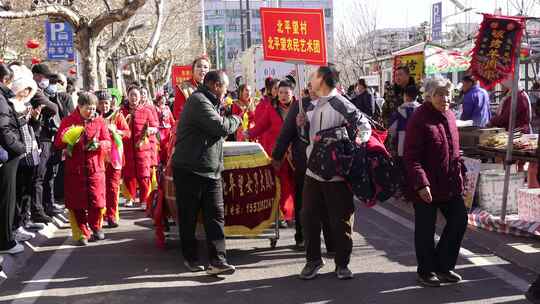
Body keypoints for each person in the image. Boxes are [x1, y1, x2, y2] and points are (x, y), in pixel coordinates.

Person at [297, 65, 371, 280]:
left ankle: (342, 263)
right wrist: (301, 125)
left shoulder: (340, 103)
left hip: (337, 174)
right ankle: (313, 260)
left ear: (322, 80)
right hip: (313, 172)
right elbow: (306, 139)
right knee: (308, 216)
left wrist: (355, 145)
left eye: (313, 77)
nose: (309, 80)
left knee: (340, 219)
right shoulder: (309, 106)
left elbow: (364, 126)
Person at [172, 70, 241, 275]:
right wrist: (236, 119)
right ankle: (190, 258)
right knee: (189, 217)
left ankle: (218, 261)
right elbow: (219, 127)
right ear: (215, 85)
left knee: (216, 217)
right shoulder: (199, 101)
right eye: (225, 86)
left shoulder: (213, 102)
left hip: (211, 170)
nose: (227, 91)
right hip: (189, 169)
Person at [403, 77, 468, 287]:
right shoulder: (419, 118)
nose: (445, 98)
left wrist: (461, 178)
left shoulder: (449, 115)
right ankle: (426, 270)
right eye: (439, 94)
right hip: (426, 186)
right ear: (429, 96)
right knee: (425, 229)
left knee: (459, 220)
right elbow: (411, 156)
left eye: (447, 94)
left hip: (449, 183)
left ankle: (444, 265)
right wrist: (422, 184)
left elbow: (454, 150)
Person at [272, 81, 335, 251]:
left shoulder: (333, 103)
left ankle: (331, 243)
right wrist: (277, 157)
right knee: (304, 202)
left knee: (329, 203)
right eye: (311, 87)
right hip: (304, 162)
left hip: (329, 163)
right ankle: (302, 237)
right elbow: (285, 134)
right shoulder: (299, 106)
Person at [54, 92, 111, 245]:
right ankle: (81, 233)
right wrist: (67, 139)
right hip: (75, 169)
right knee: (77, 204)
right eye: (87, 108)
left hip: (95, 169)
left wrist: (100, 145)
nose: (91, 112)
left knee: (97, 202)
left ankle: (96, 227)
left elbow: (108, 141)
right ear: (79, 107)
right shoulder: (69, 121)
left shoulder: (100, 122)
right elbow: (58, 143)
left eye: (93, 109)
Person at [245, 80, 296, 224]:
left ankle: (295, 213)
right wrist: (249, 133)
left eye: (287, 92)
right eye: (281, 92)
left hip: (296, 152)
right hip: (279, 152)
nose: (283, 96)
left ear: (293, 93)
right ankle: (284, 214)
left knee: (296, 184)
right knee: (282, 183)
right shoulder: (271, 108)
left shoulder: (300, 108)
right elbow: (261, 125)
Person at [0, 63, 34, 254]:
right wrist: (19, 147)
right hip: (7, 155)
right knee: (7, 199)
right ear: (6, 80)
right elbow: (4, 129)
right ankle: (5, 242)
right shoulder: (2, 98)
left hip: (7, 152)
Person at [10, 65, 40, 243]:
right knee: (18, 192)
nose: (25, 94)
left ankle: (24, 220)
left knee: (27, 189)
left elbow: (32, 129)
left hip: (31, 152)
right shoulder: (12, 105)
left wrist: (34, 119)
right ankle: (16, 226)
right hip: (19, 154)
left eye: (28, 91)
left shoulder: (26, 105)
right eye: (23, 90)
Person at [29, 63, 62, 222]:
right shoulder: (33, 90)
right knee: (38, 177)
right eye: (45, 77)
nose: (47, 81)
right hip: (39, 138)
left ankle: (42, 208)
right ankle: (37, 211)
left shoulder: (42, 91)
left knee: (45, 175)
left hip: (45, 137)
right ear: (35, 75)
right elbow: (53, 108)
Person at [121, 86, 159, 210]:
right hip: (127, 148)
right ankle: (130, 197)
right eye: (131, 95)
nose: (133, 98)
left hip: (143, 148)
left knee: (144, 175)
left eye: (136, 95)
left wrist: (149, 130)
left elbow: (155, 126)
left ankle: (144, 199)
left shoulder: (147, 110)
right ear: (127, 96)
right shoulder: (122, 112)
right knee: (128, 174)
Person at [96, 90, 130, 228]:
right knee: (99, 188)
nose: (104, 106)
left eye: (107, 103)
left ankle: (111, 216)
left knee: (113, 188)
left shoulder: (117, 116)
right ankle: (98, 216)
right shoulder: (92, 116)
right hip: (97, 157)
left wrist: (116, 131)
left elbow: (128, 133)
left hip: (114, 157)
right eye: (102, 103)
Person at [172, 56, 210, 121]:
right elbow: (178, 113)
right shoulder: (183, 88)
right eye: (199, 66)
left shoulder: (212, 87)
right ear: (193, 70)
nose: (202, 69)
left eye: (205, 67)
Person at [389, 85, 421, 157]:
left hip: (402, 146)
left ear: (405, 96)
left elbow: (392, 130)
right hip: (419, 146)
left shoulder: (398, 111)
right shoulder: (422, 110)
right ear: (416, 97)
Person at [251, 77, 279, 150]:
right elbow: (259, 124)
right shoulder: (263, 105)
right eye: (275, 88)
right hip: (268, 142)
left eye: (280, 88)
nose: (278, 91)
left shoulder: (283, 104)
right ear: (270, 90)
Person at [154, 92, 175, 164]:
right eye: (160, 99)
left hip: (168, 131)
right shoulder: (155, 109)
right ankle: (161, 163)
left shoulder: (167, 108)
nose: (162, 101)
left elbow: (171, 120)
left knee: (168, 147)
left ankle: (167, 163)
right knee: (160, 148)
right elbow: (154, 120)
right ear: (158, 100)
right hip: (159, 131)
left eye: (163, 99)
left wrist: (174, 127)